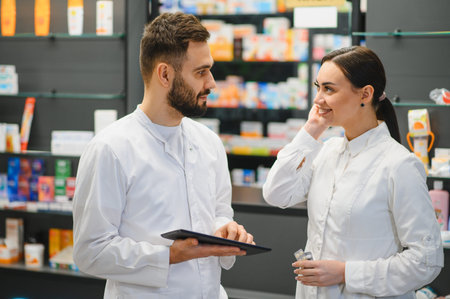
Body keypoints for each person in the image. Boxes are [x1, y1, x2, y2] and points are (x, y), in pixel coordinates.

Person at [72, 12, 254, 299]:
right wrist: (168, 255)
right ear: (165, 74)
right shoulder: (111, 148)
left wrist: (226, 230)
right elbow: (90, 251)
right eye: (200, 72)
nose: (212, 83)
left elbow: (219, 212)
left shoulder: (209, 143)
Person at [263, 46, 444, 299]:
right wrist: (310, 132)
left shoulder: (399, 164)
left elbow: (426, 260)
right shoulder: (327, 151)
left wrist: (346, 273)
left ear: (366, 94)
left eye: (329, 89)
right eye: (318, 87)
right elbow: (276, 194)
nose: (317, 99)